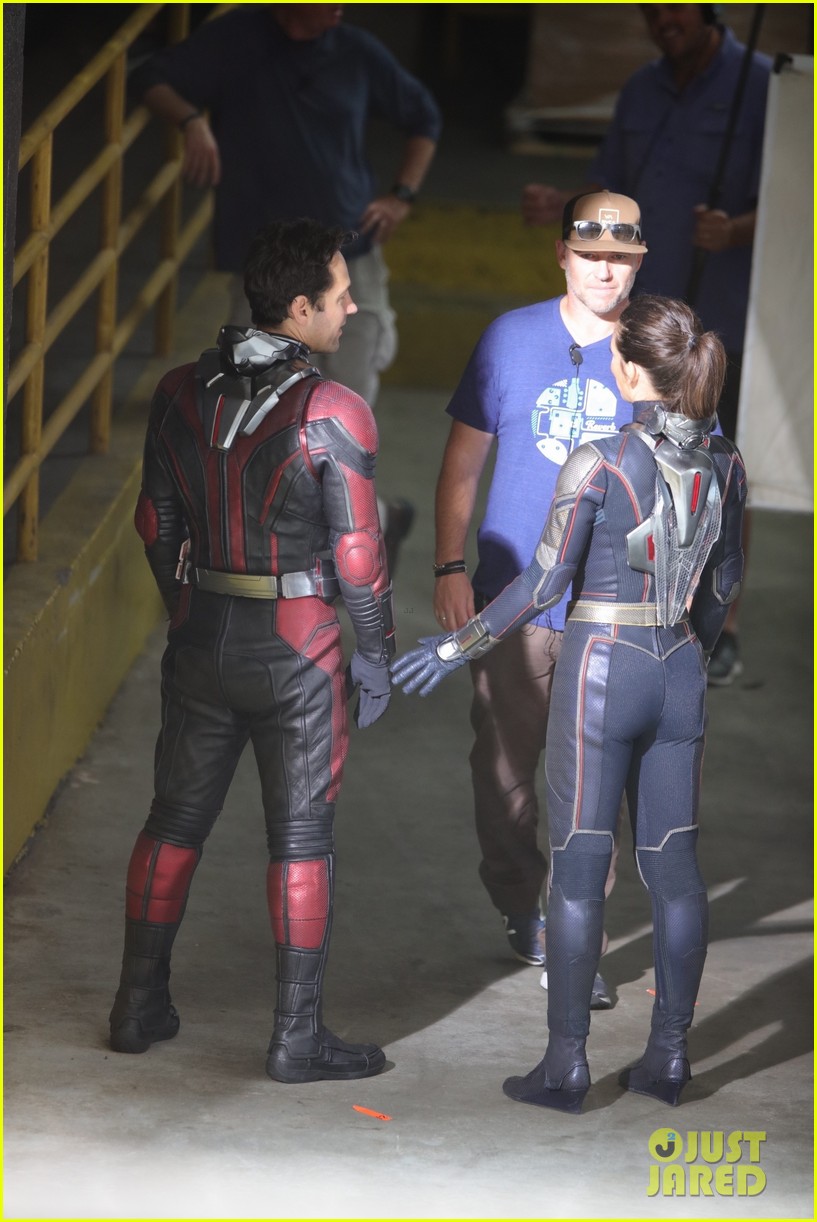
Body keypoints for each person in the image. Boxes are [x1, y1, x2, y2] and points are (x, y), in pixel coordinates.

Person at [393, 294, 747, 1113]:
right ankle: (668, 1061)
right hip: (678, 667)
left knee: (578, 873)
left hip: (601, 663)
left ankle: (565, 1067)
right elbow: (723, 585)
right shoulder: (725, 463)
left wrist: (455, 645)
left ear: (627, 370)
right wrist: (684, 650)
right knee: (675, 875)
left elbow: (542, 583)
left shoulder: (600, 459)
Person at [109, 218, 396, 1085]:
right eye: (340, 295)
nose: (351, 308)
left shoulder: (177, 391)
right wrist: (376, 651)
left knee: (172, 823)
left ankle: (136, 1007)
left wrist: (188, 608)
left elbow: (154, 521)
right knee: (300, 839)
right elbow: (358, 556)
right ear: (299, 308)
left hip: (203, 630)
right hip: (297, 647)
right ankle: (295, 1038)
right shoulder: (333, 410)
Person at [131, 2, 442, 569]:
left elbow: (425, 117)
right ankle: (331, 538)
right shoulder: (235, 38)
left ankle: (354, 544)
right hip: (266, 271)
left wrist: (403, 195)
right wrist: (192, 121)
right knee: (255, 415)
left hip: (349, 264)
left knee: (342, 416)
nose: (340, 8)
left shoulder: (356, 50)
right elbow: (149, 76)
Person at [433, 190, 647, 999]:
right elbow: (462, 464)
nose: (606, 271)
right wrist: (448, 568)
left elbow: (693, 478)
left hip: (613, 610)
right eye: (592, 255)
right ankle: (520, 900)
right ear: (561, 254)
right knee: (502, 778)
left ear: (639, 262)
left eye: (621, 258)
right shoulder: (509, 338)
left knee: (594, 787)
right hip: (512, 601)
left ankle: (574, 937)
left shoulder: (657, 348)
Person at [521, 3, 770, 684]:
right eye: (650, 8)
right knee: (635, 455)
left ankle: (721, 623)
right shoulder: (641, 86)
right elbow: (612, 182)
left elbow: (794, 195)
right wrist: (564, 203)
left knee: (716, 464)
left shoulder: (759, 85)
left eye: (675, 6)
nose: (662, 18)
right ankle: (638, 599)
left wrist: (736, 230)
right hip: (642, 319)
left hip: (717, 318)